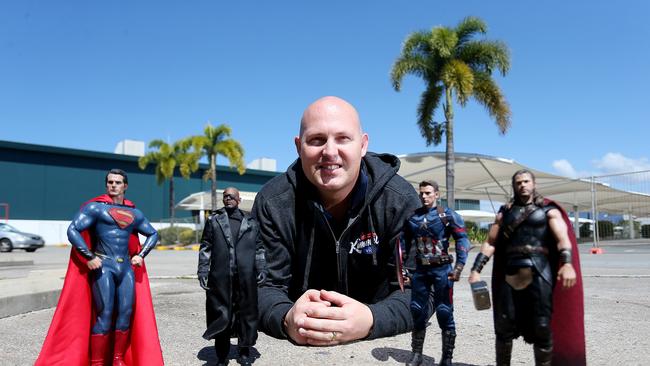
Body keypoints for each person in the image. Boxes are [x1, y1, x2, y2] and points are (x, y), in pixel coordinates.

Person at [252, 96, 421, 345]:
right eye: (316, 140)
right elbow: (258, 285)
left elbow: (423, 288)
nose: (330, 152)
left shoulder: (398, 201)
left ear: (363, 145)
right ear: (299, 147)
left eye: (343, 138)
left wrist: (373, 318)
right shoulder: (272, 203)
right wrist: (286, 317)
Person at [36, 169, 163, 366]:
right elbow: (73, 230)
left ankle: (118, 358)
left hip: (126, 267)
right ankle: (97, 362)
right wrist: (89, 256)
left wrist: (141, 254)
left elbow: (153, 234)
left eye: (118, 182)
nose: (114, 185)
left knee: (125, 312)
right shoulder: (95, 208)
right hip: (104, 266)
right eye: (110, 182)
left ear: (125, 186)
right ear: (106, 185)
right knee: (105, 312)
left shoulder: (135, 213)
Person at [468, 169, 586, 366]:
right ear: (514, 186)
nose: (522, 185)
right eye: (518, 182)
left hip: (539, 272)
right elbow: (490, 243)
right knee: (504, 326)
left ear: (534, 184)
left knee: (542, 327)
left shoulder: (549, 211)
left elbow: (563, 240)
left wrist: (566, 264)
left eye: (526, 181)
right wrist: (476, 270)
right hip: (511, 272)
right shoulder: (504, 213)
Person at [402, 180, 470, 366]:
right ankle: (416, 354)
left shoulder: (447, 215)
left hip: (442, 270)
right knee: (417, 310)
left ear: (437, 194)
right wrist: (403, 269)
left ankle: (446, 358)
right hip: (421, 270)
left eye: (428, 193)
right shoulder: (413, 218)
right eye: (421, 193)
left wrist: (459, 267)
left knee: (444, 312)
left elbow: (463, 240)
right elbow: (402, 244)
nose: (424, 196)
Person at [198, 187, 267, 366]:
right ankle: (222, 355)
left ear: (239, 199)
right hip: (220, 277)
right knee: (222, 315)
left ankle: (244, 351)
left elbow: (259, 248)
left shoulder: (251, 221)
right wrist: (203, 270)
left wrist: (261, 268)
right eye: (225, 196)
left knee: (246, 314)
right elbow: (206, 246)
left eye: (231, 196)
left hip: (246, 277)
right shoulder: (214, 220)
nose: (227, 199)